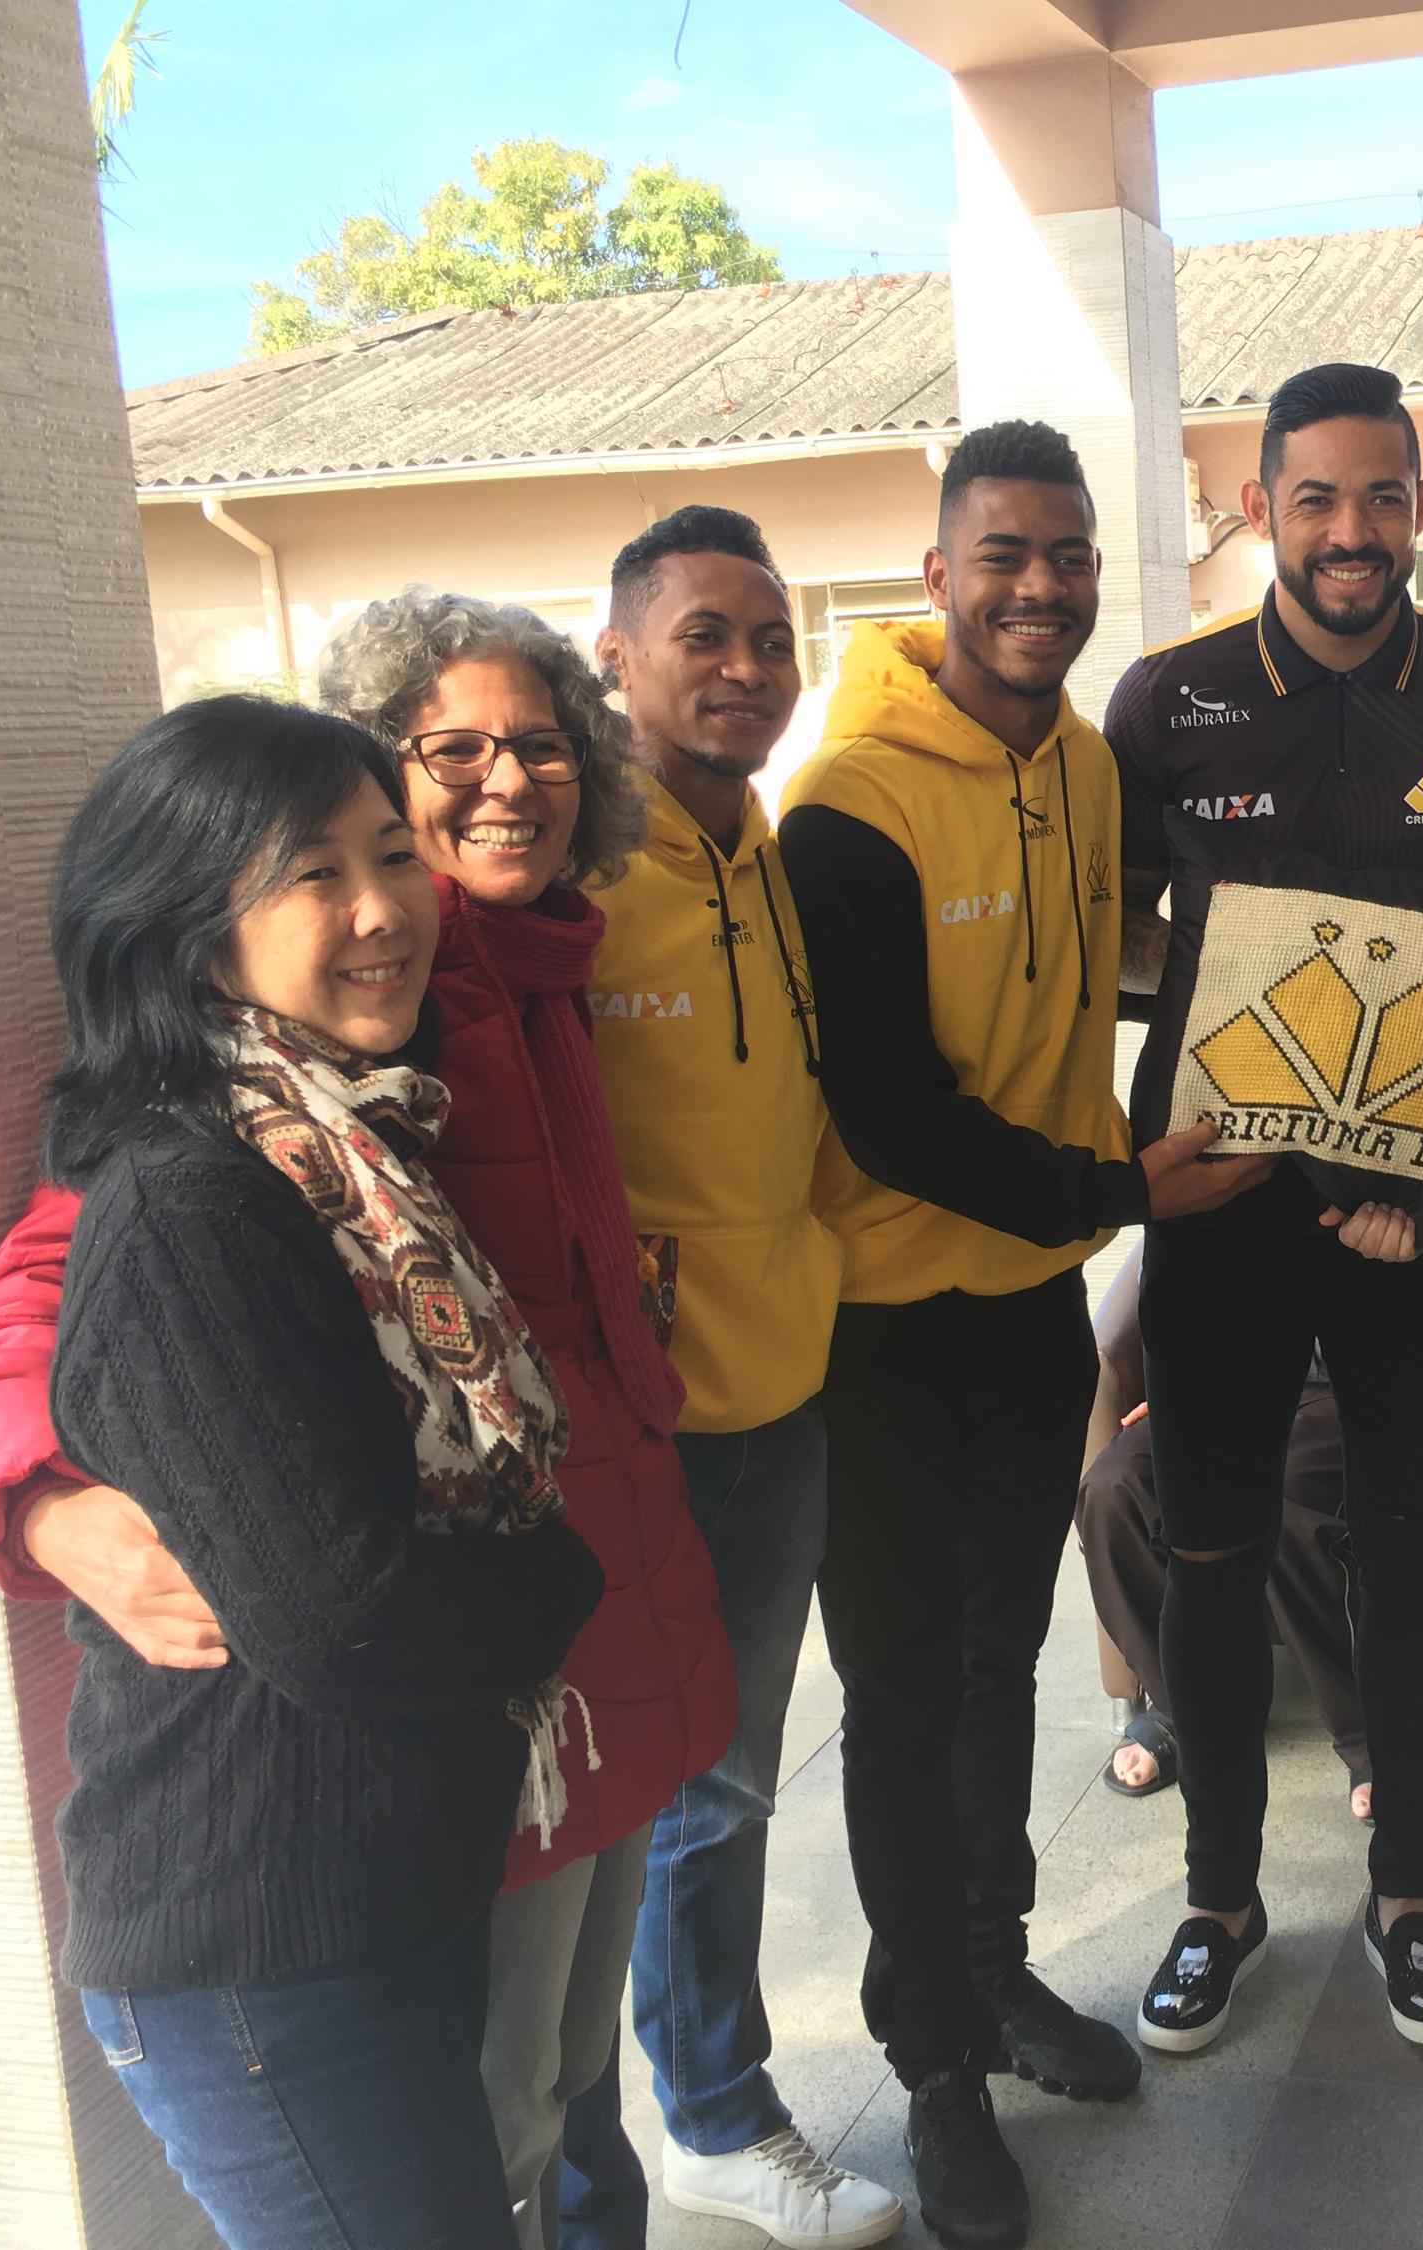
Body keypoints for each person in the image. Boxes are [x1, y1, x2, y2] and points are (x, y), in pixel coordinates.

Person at [0, 598, 740, 2250]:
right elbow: (56, 1288)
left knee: (570, 2074)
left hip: (511, 1702)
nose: (507, 783)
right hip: (393, 1753)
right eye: (453, 754)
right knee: (509, 2123)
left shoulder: (437, 1042)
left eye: (541, 744)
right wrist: (41, 1503)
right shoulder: (246, 1126)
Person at [777, 418, 1268, 2250]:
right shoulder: (849, 806)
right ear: (938, 576)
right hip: (882, 1330)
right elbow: (891, 1110)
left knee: (1002, 1665)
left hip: (1024, 1310)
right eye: (1004, 554)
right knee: (903, 1701)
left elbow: (1136, 954)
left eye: (1067, 555)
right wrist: (1129, 1185)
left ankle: (990, 1971)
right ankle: (930, 2069)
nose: (1040, 587)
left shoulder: (1083, 764)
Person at [1105, 362, 1423, 2057]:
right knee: (1207, 1549)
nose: (1354, 531)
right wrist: (1212, 1046)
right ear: (1259, 507)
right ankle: (1218, 1900)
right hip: (1221, 1211)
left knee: (1411, 1545)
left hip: (1416, 1222)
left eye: (1384, 496)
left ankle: (1410, 1891)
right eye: (1319, 498)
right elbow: (1105, 934)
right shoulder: (1169, 698)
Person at [547, 507, 905, 2247]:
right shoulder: (564, 878)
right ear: (615, 656)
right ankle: (684, 2117)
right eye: (706, 635)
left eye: (772, 638)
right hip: (636, 1422)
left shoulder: (764, 850)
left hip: (785, 1386)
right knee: (641, 1792)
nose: (748, 668)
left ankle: (693, 2108)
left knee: (731, 1775)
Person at [1077, 1250, 1373, 1812]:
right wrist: (1176, 1383)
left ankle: (1371, 1730)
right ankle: (1185, 1704)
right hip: (1227, 1381)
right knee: (1114, 1486)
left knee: (1280, 1493)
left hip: (1344, 1382)